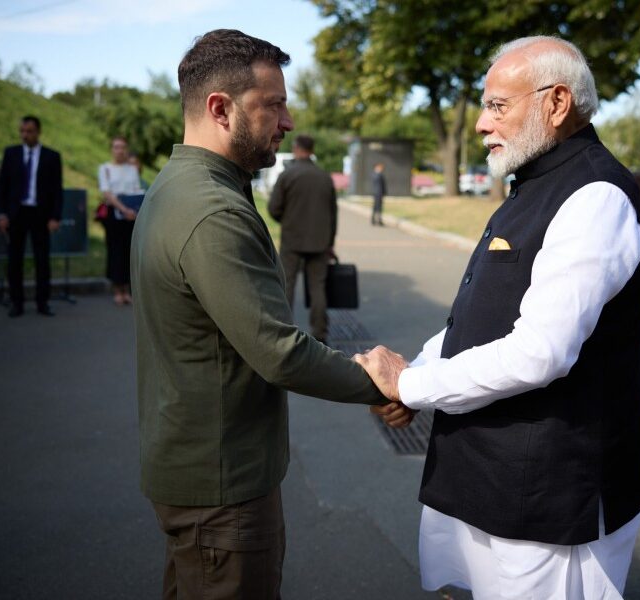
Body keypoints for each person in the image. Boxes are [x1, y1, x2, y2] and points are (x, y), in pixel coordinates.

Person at [355, 36, 640, 599]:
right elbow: (480, 318)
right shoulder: (535, 183)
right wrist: (412, 378)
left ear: (556, 103)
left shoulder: (594, 196)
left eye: (497, 105)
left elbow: (539, 351)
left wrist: (414, 384)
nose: (481, 124)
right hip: (489, 476)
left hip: (547, 494)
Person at [130, 29, 404, 599]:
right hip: (221, 487)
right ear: (220, 109)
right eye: (273, 104)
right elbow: (277, 350)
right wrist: (378, 384)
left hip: (199, 468)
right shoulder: (212, 211)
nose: (286, 119)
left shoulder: (184, 187)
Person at [268, 134, 337, 342]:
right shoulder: (324, 177)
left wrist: (287, 221)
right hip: (320, 241)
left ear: (297, 148)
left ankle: (285, 332)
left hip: (292, 239)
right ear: (312, 149)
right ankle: (320, 333)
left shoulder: (288, 175)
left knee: (287, 285)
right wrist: (330, 242)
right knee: (318, 287)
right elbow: (333, 213)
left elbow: (273, 208)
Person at [0, 115, 63, 317]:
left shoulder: (51, 156)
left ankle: (42, 302)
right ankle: (17, 303)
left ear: (38, 132)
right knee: (14, 259)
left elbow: (57, 190)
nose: (25, 135)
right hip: (17, 213)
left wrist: (55, 217)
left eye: (29, 131)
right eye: (22, 131)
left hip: (40, 214)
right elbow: (3, 186)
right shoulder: (11, 154)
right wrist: (2, 214)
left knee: (42, 260)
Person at [98, 136, 142, 306]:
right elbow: (107, 193)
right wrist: (123, 209)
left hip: (131, 215)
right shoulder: (105, 168)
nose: (120, 150)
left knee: (129, 251)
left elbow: (136, 189)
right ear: (112, 149)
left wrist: (134, 210)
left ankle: (127, 289)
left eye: (123, 147)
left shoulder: (132, 169)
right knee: (115, 251)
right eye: (116, 147)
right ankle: (117, 289)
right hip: (114, 215)